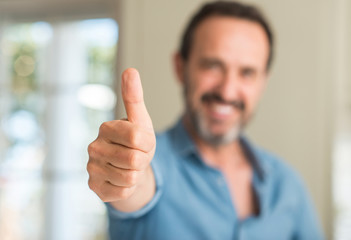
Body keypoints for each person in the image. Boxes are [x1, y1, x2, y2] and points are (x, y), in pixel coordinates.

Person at [87, 1, 324, 239]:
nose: (228, 91)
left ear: (263, 82)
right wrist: (126, 176)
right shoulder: (148, 162)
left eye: (247, 73)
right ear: (181, 67)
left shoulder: (288, 185)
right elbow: (138, 186)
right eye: (213, 66)